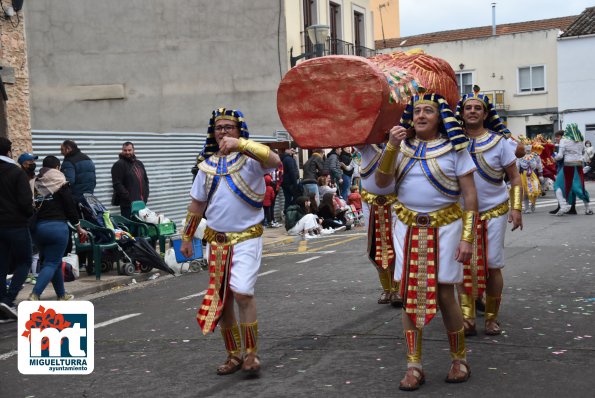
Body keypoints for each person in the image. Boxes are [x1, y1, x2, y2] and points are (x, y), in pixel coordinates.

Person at [376, 91, 477, 390]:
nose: (421, 116)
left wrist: (467, 238)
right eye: (417, 110)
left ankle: (460, 359)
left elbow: (470, 196)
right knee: (408, 294)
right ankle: (413, 365)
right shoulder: (400, 147)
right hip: (406, 228)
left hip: (446, 227)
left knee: (446, 294)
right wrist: (392, 147)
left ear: (440, 117)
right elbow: (382, 183)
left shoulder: (456, 148)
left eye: (428, 111)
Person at [180, 108, 280, 377]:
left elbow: (276, 161)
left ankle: (251, 353)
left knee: (243, 292)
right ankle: (234, 355)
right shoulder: (206, 166)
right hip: (217, 241)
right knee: (222, 299)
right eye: (219, 127)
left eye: (229, 127)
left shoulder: (252, 160)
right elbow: (197, 205)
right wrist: (187, 237)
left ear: (239, 131)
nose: (223, 131)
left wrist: (242, 145)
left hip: (247, 238)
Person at [456, 88, 523, 337]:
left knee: (493, 264)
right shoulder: (452, 141)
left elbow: (515, 178)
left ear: (485, 113)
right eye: (468, 108)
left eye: (477, 108)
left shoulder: (500, 142)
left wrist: (516, 208)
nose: (472, 111)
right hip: (461, 214)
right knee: (462, 264)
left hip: (494, 211)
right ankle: (467, 318)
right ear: (461, 113)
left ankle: (492, 318)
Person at [28, 156, 87, 301]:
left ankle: (62, 295)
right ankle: (35, 294)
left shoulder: (34, 183)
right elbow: (70, 206)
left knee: (55, 261)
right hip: (57, 228)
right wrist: (79, 227)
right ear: (57, 168)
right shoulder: (60, 182)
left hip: (38, 229)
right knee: (52, 263)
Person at [356, 144, 401, 306]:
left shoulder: (402, 145)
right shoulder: (366, 147)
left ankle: (397, 289)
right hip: (370, 204)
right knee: (375, 247)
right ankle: (387, 289)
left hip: (396, 203)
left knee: (397, 246)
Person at [0, 138, 33, 322]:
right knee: (24, 261)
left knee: (1, 264)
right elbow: (25, 202)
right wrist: (28, 215)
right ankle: (8, 299)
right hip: (16, 225)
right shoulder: (16, 173)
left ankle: (1, 303)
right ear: (9, 152)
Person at [553, 123, 592, 215]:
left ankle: (563, 206)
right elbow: (583, 154)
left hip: (568, 166)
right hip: (578, 166)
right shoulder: (580, 140)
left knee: (557, 185)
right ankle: (588, 208)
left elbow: (560, 156)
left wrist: (553, 158)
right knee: (579, 187)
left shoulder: (564, 141)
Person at [111, 141, 150, 218]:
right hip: (128, 206)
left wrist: (145, 197)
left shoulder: (139, 163)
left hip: (141, 204)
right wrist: (129, 198)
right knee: (130, 227)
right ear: (122, 151)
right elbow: (117, 184)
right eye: (125, 150)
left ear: (133, 150)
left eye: (129, 150)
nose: (127, 152)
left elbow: (146, 181)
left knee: (141, 227)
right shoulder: (119, 165)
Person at [517, 141, 543, 213]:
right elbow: (517, 166)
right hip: (523, 175)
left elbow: (539, 165)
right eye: (526, 145)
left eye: (529, 145)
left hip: (533, 174)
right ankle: (527, 208)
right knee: (525, 192)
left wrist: (541, 174)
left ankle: (533, 204)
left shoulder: (535, 155)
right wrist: (516, 176)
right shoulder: (520, 156)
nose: (528, 147)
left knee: (535, 191)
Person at [280, 146, 299, 212]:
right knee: (296, 198)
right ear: (286, 149)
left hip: (285, 182)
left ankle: (287, 214)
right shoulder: (289, 159)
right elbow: (292, 172)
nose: (293, 151)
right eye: (292, 150)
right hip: (290, 183)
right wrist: (295, 184)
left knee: (287, 199)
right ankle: (291, 214)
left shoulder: (283, 158)